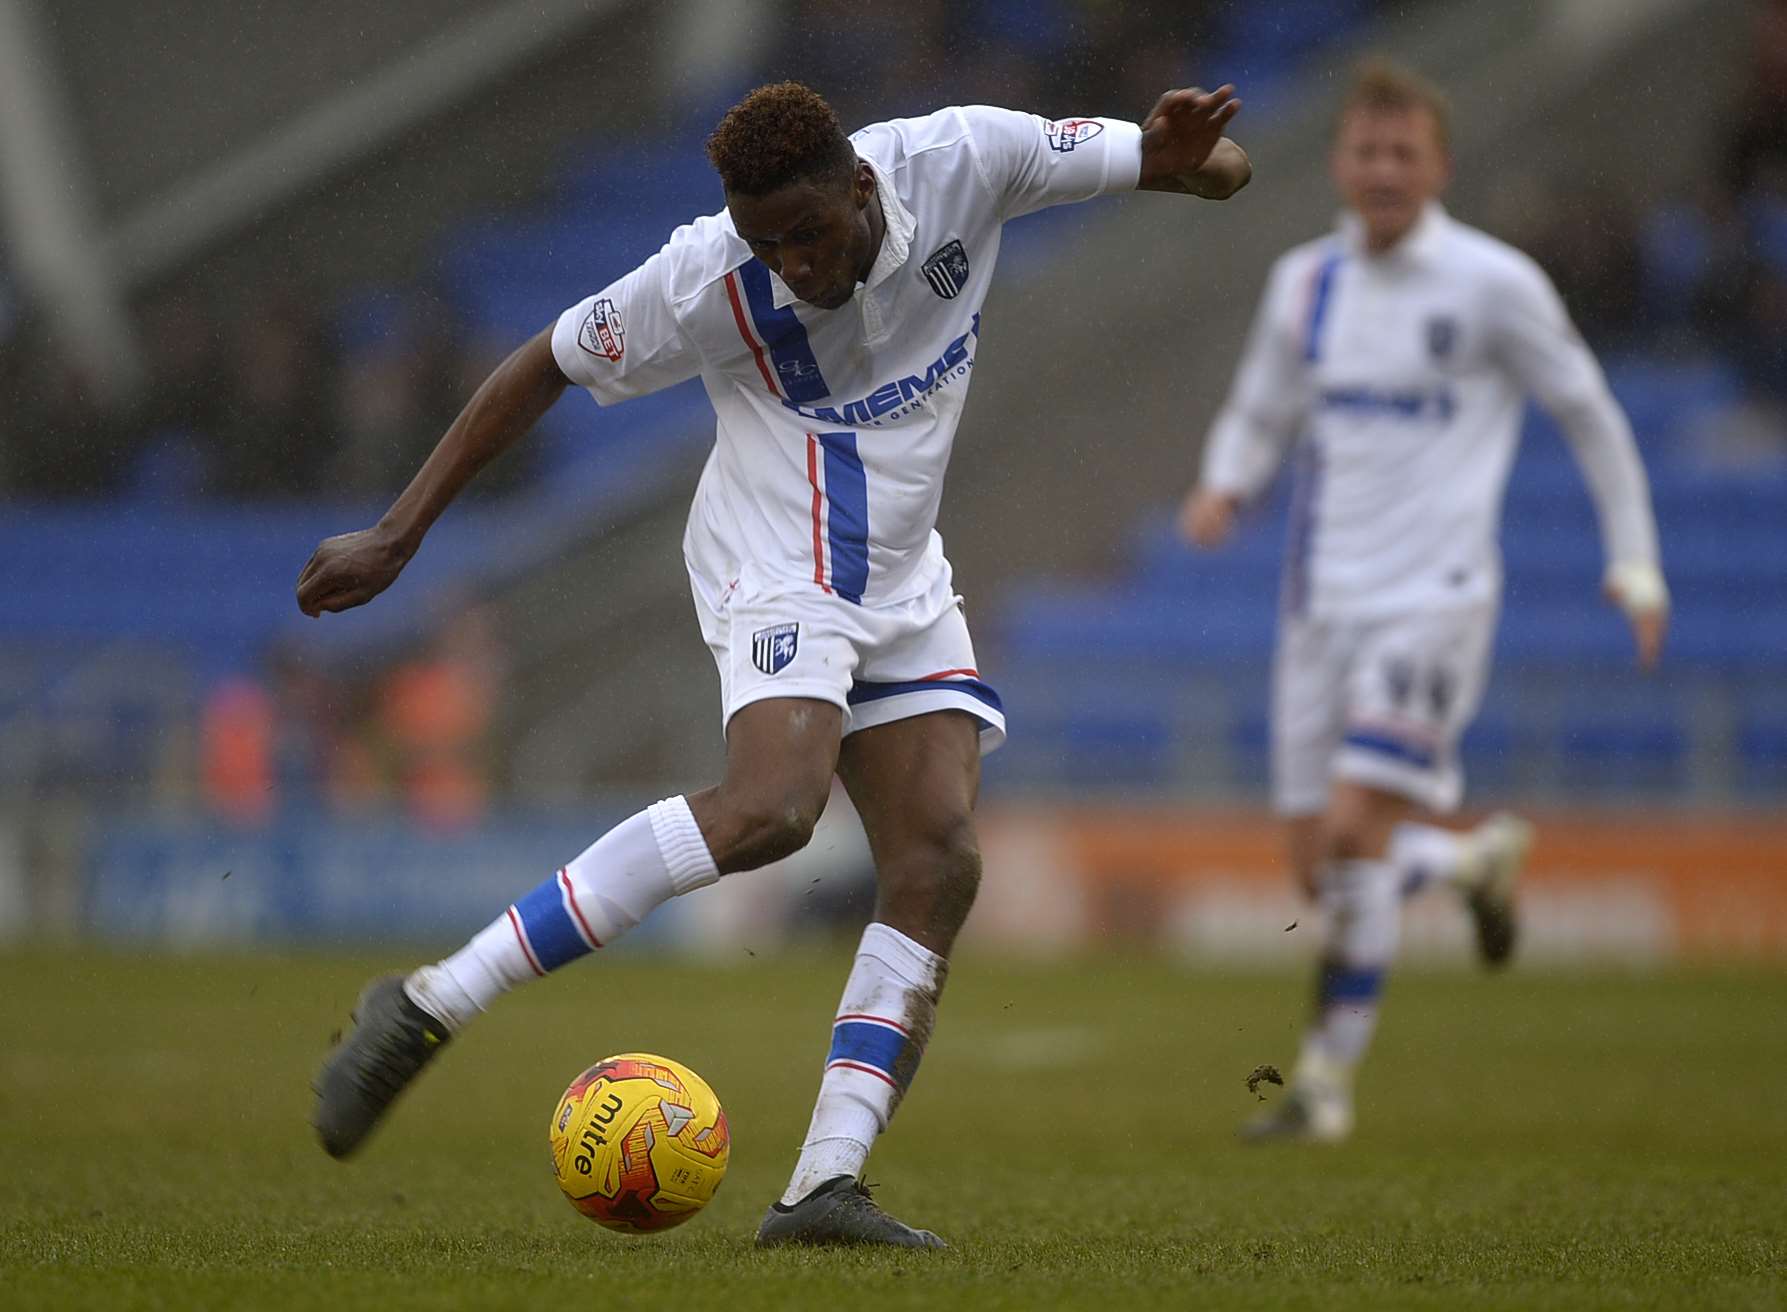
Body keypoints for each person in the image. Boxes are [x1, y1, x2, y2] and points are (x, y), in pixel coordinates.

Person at [298, 80, 1251, 1245]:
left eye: (807, 233)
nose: (791, 263)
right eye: (767, 243)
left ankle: (821, 1187)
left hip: (901, 572)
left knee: (937, 861)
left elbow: (1197, 167)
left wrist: (1198, 160)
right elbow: (539, 363)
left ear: (862, 185)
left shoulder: (965, 158)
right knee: (773, 811)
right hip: (776, 561)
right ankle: (433, 999)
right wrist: (399, 531)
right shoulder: (704, 282)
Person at [1178, 60, 1667, 1144]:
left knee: (1354, 831)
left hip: (1432, 597)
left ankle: (1321, 1087)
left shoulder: (1492, 284)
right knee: (1318, 864)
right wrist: (1224, 482)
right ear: (1341, 165)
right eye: (1366, 150)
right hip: (1316, 607)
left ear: (1438, 165)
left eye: (1404, 152)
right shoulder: (1303, 284)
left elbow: (1586, 411)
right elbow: (1256, 414)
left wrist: (1635, 563)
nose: (1383, 169)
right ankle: (1465, 860)